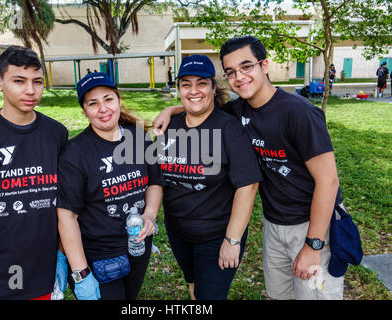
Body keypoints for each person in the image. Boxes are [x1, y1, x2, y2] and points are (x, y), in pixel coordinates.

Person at [153, 36, 346, 300]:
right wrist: (172, 109)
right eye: (231, 72)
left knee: (316, 296)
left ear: (264, 65)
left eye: (247, 67)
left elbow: (329, 182)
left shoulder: (299, 113)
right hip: (274, 221)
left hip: (312, 223)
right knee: (281, 294)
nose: (239, 77)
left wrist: (314, 244)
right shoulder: (239, 108)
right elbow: (203, 106)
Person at [0, 46, 69, 300]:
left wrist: (62, 254)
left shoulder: (56, 134)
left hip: (45, 267)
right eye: (19, 81)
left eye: (37, 82)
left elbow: (64, 203)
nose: (30, 90)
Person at [155, 55, 261, 300]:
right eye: (186, 84)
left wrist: (232, 240)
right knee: (193, 285)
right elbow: (156, 174)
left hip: (216, 235)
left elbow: (248, 185)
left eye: (201, 83)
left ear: (214, 88)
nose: (194, 91)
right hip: (178, 231)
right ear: (178, 89)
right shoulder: (169, 126)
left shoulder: (229, 128)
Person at [56, 72, 164, 300]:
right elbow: (67, 217)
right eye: (92, 103)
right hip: (99, 254)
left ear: (119, 100)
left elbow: (155, 182)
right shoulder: (75, 153)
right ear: (84, 111)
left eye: (108, 99)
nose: (103, 108)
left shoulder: (139, 137)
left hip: (138, 244)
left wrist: (150, 215)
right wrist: (81, 272)